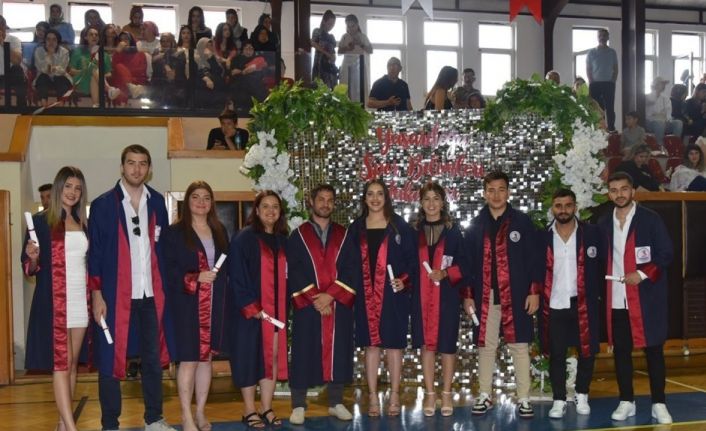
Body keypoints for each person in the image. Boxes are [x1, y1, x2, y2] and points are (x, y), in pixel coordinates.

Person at [88, 145, 176, 431]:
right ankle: (109, 424)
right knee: (109, 360)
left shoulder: (158, 203)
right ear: (122, 167)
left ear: (149, 168)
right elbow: (95, 255)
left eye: (142, 163)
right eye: (131, 163)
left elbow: (163, 250)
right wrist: (97, 295)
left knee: (152, 359)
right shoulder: (103, 205)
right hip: (114, 297)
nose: (137, 169)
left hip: (150, 295)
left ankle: (154, 419)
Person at [461, 171, 541, 419]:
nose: (496, 195)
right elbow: (467, 264)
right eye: (491, 190)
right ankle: (485, 394)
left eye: (501, 189)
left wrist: (534, 292)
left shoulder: (522, 222)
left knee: (519, 345)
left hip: (516, 295)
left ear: (508, 192)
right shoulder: (476, 226)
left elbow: (535, 259)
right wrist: (468, 295)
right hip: (485, 296)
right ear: (484, 193)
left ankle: (524, 397)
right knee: (486, 347)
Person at [599, 172, 674, 424]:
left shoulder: (651, 219)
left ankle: (659, 403)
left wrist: (641, 274)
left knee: (654, 351)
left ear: (632, 191)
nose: (619, 194)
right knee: (621, 352)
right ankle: (626, 401)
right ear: (608, 194)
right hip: (616, 298)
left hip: (646, 297)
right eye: (614, 190)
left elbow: (666, 253)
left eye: (623, 189)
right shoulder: (603, 222)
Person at [341, 179, 417, 417]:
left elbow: (413, 261)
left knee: (394, 346)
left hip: (393, 297)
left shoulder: (399, 226)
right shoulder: (356, 228)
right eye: (370, 194)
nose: (375, 199)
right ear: (364, 199)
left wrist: (404, 280)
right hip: (366, 297)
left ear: (386, 197)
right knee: (371, 346)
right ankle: (373, 396)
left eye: (380, 194)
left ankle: (394, 394)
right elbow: (346, 263)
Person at [22, 166, 89, 431]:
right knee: (61, 363)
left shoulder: (84, 222)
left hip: (80, 300)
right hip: (55, 301)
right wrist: (32, 257)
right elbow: (29, 268)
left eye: (78, 188)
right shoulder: (40, 222)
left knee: (71, 365)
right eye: (68, 186)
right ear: (59, 187)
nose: (73, 192)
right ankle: (71, 427)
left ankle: (63, 423)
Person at [163, 181, 229, 431]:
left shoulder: (219, 230)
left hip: (214, 303)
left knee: (206, 359)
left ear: (212, 203)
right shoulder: (174, 233)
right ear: (187, 201)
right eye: (195, 197)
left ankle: (200, 412)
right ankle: (185, 415)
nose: (201, 202)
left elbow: (226, 266)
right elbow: (168, 269)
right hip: (187, 304)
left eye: (206, 198)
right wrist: (194, 276)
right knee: (189, 359)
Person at [287, 184, 355, 425]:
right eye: (321, 199)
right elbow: (294, 270)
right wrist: (317, 298)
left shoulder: (344, 235)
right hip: (309, 305)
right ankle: (298, 405)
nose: (325, 204)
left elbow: (352, 269)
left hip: (336, 305)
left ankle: (336, 403)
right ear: (311, 202)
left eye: (330, 200)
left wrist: (331, 295)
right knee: (303, 351)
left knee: (339, 352)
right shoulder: (298, 235)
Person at [228, 191, 289, 429]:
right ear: (256, 210)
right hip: (250, 313)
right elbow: (236, 275)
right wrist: (251, 306)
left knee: (271, 357)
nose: (270, 211)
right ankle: (249, 409)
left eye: (275, 207)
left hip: (275, 312)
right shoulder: (243, 238)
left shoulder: (283, 240)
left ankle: (266, 406)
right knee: (248, 358)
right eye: (265, 206)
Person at [540, 189, 602, 419]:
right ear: (553, 208)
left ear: (575, 207)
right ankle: (559, 399)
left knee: (587, 352)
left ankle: (582, 393)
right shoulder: (542, 237)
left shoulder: (591, 234)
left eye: (568, 205)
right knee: (556, 353)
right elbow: (535, 270)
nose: (563, 210)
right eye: (558, 205)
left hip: (583, 302)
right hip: (554, 303)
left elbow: (602, 264)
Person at [410, 182, 466, 417]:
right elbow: (408, 265)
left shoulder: (453, 231)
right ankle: (430, 393)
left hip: (447, 297)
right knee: (426, 345)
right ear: (421, 203)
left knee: (447, 345)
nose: (431, 203)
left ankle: (446, 393)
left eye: (436, 198)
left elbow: (465, 264)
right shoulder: (414, 232)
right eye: (427, 199)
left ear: (443, 202)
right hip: (421, 298)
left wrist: (445, 273)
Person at [69, 26, 116, 107]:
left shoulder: (104, 54)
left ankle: (96, 105)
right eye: (91, 34)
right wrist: (85, 71)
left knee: (93, 72)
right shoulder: (78, 52)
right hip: (80, 80)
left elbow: (109, 74)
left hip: (97, 81)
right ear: (85, 37)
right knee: (92, 68)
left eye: (96, 35)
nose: (94, 36)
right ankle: (109, 89)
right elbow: (71, 71)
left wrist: (98, 75)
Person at [587, 29, 619, 131]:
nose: (602, 37)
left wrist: (613, 81)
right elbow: (588, 69)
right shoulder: (591, 52)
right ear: (597, 37)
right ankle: (600, 129)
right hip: (595, 84)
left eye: (604, 35)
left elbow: (616, 69)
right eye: (600, 35)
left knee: (610, 108)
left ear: (608, 37)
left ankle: (611, 129)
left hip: (609, 84)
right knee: (597, 108)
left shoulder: (612, 52)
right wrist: (591, 81)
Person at [33, 29, 72, 108]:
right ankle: (44, 106)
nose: (51, 42)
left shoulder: (64, 52)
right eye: (48, 39)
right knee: (43, 77)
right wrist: (49, 55)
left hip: (60, 78)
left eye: (54, 39)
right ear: (45, 40)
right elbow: (42, 69)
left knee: (60, 78)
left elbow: (62, 70)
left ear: (58, 41)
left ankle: (60, 107)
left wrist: (51, 69)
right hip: (44, 78)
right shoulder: (38, 51)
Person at [338, 14, 372, 103]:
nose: (350, 29)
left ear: (357, 25)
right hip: (346, 64)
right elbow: (339, 51)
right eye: (348, 26)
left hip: (359, 64)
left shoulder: (362, 36)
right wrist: (347, 48)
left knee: (359, 90)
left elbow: (370, 50)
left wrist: (361, 44)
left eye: (352, 26)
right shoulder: (344, 36)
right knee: (345, 89)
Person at [646, 77, 683, 146]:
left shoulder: (666, 98)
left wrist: (668, 120)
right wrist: (656, 92)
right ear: (656, 84)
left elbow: (668, 112)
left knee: (678, 122)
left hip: (663, 121)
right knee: (659, 123)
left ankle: (674, 144)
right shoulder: (647, 97)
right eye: (662, 84)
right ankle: (660, 145)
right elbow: (649, 113)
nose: (663, 86)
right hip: (651, 122)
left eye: (664, 84)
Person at [0, 15, 27, 107]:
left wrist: (2, 43)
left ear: (4, 26)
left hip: (11, 74)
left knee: (17, 68)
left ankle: (21, 108)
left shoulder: (13, 40)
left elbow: (17, 61)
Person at [311, 10, 338, 89]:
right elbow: (313, 43)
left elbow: (333, 52)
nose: (331, 26)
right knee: (318, 88)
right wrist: (327, 53)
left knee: (330, 90)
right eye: (329, 23)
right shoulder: (317, 31)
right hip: (319, 65)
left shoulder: (332, 37)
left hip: (329, 67)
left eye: (333, 24)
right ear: (324, 21)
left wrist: (333, 57)